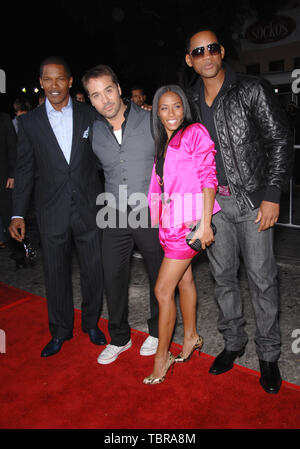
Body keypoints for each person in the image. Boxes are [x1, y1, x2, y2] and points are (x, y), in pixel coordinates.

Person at [184, 27, 293, 393]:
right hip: (212, 206)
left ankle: (269, 355)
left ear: (222, 50)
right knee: (223, 279)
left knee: (262, 280)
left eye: (212, 48)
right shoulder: (189, 101)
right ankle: (233, 343)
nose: (207, 55)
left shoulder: (251, 88)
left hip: (252, 202)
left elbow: (279, 137)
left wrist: (273, 193)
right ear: (190, 59)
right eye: (198, 51)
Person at [9, 56, 106, 357]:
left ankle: (91, 323)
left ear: (69, 81)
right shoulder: (28, 123)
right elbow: (24, 169)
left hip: (88, 207)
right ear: (40, 82)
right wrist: (17, 212)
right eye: (47, 79)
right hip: (51, 211)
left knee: (93, 270)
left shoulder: (89, 114)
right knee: (55, 273)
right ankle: (60, 330)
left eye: (59, 78)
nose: (54, 85)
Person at [81, 65, 163, 364]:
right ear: (90, 101)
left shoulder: (151, 118)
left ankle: (157, 331)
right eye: (96, 95)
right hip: (114, 212)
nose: (105, 100)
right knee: (112, 274)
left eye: (108, 90)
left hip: (149, 209)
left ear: (118, 87)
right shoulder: (93, 132)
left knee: (159, 274)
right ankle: (120, 337)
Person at [143, 85, 220, 384]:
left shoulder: (194, 131)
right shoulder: (164, 140)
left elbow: (208, 176)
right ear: (157, 112)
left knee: (163, 291)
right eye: (164, 107)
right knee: (185, 280)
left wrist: (205, 223)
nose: (171, 113)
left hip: (188, 226)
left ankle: (162, 358)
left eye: (177, 106)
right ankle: (191, 338)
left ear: (185, 108)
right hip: (169, 224)